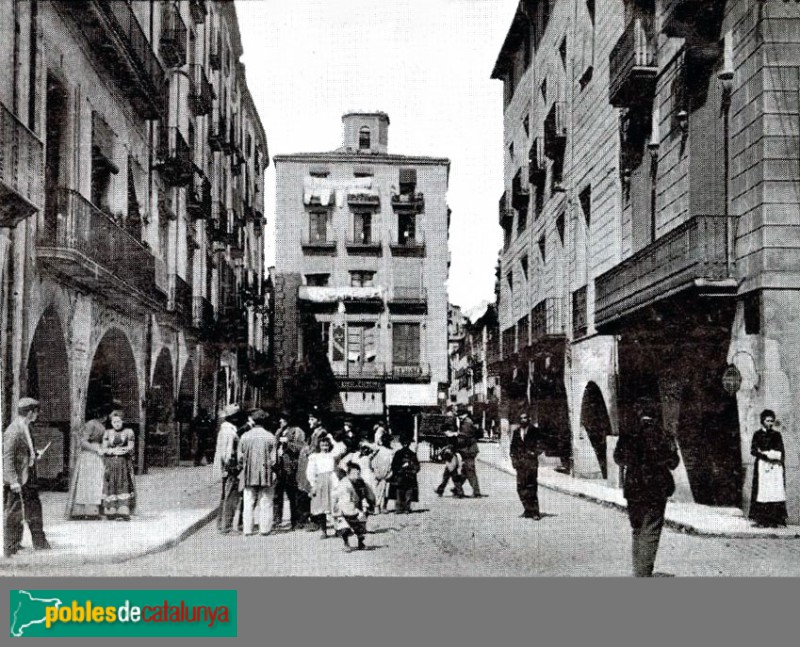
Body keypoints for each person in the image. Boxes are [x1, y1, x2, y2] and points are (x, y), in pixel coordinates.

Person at [613, 398, 680, 578]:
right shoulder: (664, 435)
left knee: (637, 528)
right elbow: (673, 463)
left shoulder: (628, 434)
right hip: (656, 489)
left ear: (639, 413)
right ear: (655, 414)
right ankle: (643, 573)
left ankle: (638, 571)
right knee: (651, 530)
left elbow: (618, 458)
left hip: (634, 488)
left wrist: (634, 463)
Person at [3, 397, 51, 557]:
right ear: (30, 413)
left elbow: (24, 451)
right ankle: (11, 547)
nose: (37, 416)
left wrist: (35, 454)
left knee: (34, 509)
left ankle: (40, 543)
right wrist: (12, 481)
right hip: (17, 479)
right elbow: (7, 458)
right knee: (14, 512)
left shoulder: (26, 427)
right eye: (36, 412)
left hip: (29, 475)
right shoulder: (13, 430)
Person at [65, 403, 112, 519]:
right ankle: (82, 511)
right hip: (89, 456)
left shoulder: (102, 425)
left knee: (96, 482)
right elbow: (83, 441)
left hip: (97, 457)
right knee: (87, 483)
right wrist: (96, 449)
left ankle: (93, 510)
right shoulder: (91, 424)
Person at [238, 409, 277, 536]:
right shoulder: (270, 437)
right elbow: (274, 460)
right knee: (265, 501)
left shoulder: (245, 436)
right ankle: (264, 528)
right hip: (266, 473)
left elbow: (240, 457)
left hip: (249, 473)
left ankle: (247, 529)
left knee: (248, 501)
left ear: (253, 421)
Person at [749, 409, 788, 528]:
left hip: (774, 466)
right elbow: (753, 450)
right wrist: (764, 455)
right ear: (763, 421)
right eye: (768, 421)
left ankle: (775, 519)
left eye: (772, 421)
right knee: (762, 491)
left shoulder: (776, 435)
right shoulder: (757, 434)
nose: (770, 423)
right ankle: (762, 519)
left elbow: (781, 450)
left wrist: (775, 456)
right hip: (762, 465)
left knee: (774, 491)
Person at [273, 411, 306, 530]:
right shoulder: (278, 431)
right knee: (277, 495)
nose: (280, 421)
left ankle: (295, 521)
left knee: (292, 495)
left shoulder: (297, 431)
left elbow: (301, 447)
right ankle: (276, 520)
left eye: (282, 419)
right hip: (279, 468)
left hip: (290, 467)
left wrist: (288, 443)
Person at [333, 461, 376, 551]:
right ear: (348, 474)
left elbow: (369, 494)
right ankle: (346, 543)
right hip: (343, 507)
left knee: (360, 525)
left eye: (358, 473)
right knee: (344, 526)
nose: (356, 475)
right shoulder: (344, 484)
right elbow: (344, 500)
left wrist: (370, 504)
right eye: (353, 473)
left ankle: (361, 543)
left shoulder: (361, 482)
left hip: (356, 506)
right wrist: (354, 511)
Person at [101, 411, 137, 521]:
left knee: (123, 482)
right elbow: (104, 449)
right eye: (114, 422)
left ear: (122, 421)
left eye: (119, 421)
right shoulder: (107, 433)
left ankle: (123, 509)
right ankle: (111, 510)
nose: (117, 424)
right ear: (111, 423)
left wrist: (119, 450)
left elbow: (130, 448)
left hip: (123, 463)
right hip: (111, 463)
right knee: (111, 483)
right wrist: (112, 451)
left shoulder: (128, 432)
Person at [214, 404, 242, 534]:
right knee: (230, 496)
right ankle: (227, 525)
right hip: (230, 468)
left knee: (224, 495)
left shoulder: (224, 429)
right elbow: (228, 453)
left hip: (224, 468)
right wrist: (232, 468)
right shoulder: (230, 432)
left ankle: (220, 523)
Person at [510, 412, 543, 519]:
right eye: (521, 418)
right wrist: (514, 461)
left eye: (525, 418)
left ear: (529, 419)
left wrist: (534, 453)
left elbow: (541, 445)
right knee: (520, 487)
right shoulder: (516, 432)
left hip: (531, 463)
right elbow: (513, 448)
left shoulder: (535, 431)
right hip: (520, 464)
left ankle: (535, 512)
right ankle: (527, 509)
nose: (523, 420)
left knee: (531, 487)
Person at [306, 435, 339, 538]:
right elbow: (310, 471)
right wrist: (313, 484)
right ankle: (323, 530)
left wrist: (331, 438)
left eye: (327, 443)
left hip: (332, 480)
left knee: (334, 505)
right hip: (320, 481)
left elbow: (340, 448)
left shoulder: (332, 455)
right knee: (320, 507)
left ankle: (337, 529)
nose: (325, 445)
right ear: (319, 445)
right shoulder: (315, 457)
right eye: (322, 443)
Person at [456, 408, 484, 497]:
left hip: (469, 450)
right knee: (465, 471)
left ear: (464, 414)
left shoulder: (467, 423)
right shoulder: (467, 421)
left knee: (470, 471)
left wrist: (455, 436)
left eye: (459, 414)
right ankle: (457, 488)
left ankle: (477, 492)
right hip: (468, 450)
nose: (458, 417)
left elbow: (464, 437)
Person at [390, 435, 420, 513]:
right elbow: (394, 465)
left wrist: (413, 470)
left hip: (409, 476)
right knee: (399, 492)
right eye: (404, 442)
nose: (406, 444)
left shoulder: (412, 454)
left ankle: (406, 508)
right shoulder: (398, 454)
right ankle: (399, 508)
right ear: (402, 443)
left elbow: (417, 466)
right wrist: (400, 469)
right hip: (401, 476)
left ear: (409, 443)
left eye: (407, 442)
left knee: (408, 493)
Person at [370, 433, 395, 513]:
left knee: (386, 490)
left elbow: (392, 463)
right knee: (376, 489)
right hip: (378, 471)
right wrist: (375, 470)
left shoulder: (391, 451)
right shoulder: (378, 449)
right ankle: (376, 506)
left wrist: (390, 473)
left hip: (387, 472)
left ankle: (384, 506)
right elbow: (373, 460)